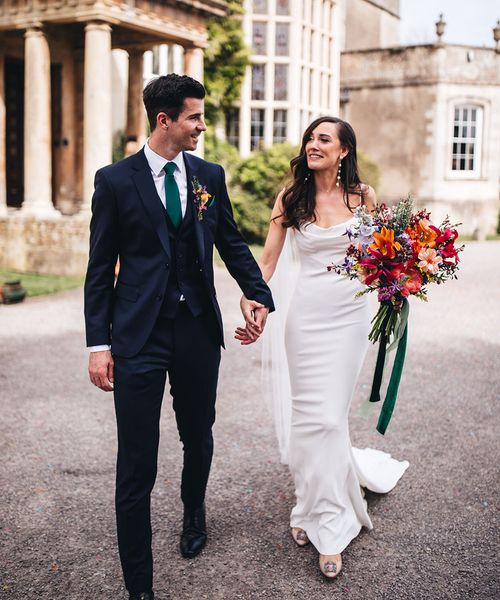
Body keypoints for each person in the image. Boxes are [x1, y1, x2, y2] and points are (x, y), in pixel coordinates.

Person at [84, 74, 273, 600]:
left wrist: (257, 293)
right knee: (136, 460)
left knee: (198, 432)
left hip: (195, 329)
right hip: (136, 337)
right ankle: (139, 589)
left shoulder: (208, 174)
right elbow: (100, 269)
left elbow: (231, 243)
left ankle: (194, 510)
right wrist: (98, 344)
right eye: (194, 117)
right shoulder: (115, 181)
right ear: (164, 120)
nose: (202, 126)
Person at [235, 116, 408, 579]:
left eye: (323, 139)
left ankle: (331, 524)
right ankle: (309, 505)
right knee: (309, 419)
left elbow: (386, 254)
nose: (313, 144)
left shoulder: (363, 198)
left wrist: (400, 284)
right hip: (305, 319)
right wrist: (253, 298)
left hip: (349, 319)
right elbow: (267, 261)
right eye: (310, 138)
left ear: (343, 151)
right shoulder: (291, 199)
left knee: (330, 418)